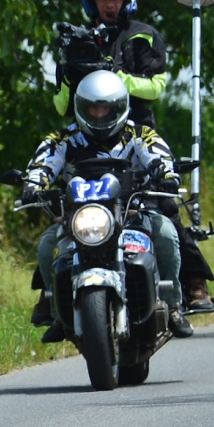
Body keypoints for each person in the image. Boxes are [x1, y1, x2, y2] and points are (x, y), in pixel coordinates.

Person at [52, 0, 214, 319]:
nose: (109, 5)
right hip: (88, 141)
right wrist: (70, 70)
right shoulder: (76, 40)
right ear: (90, 1)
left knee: (165, 210)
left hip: (135, 136)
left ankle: (193, 283)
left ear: (127, 0)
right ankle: (52, 297)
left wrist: (116, 76)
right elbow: (61, 105)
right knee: (64, 214)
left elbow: (156, 88)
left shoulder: (142, 36)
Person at [25, 71, 185, 343]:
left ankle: (171, 306)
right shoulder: (63, 139)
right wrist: (33, 185)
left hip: (133, 215)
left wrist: (167, 174)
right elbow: (42, 164)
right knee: (46, 246)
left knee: (167, 233)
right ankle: (57, 315)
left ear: (120, 107)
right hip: (79, 223)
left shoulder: (140, 135)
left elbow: (159, 156)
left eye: (106, 108)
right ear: (81, 107)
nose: (99, 114)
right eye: (93, 108)